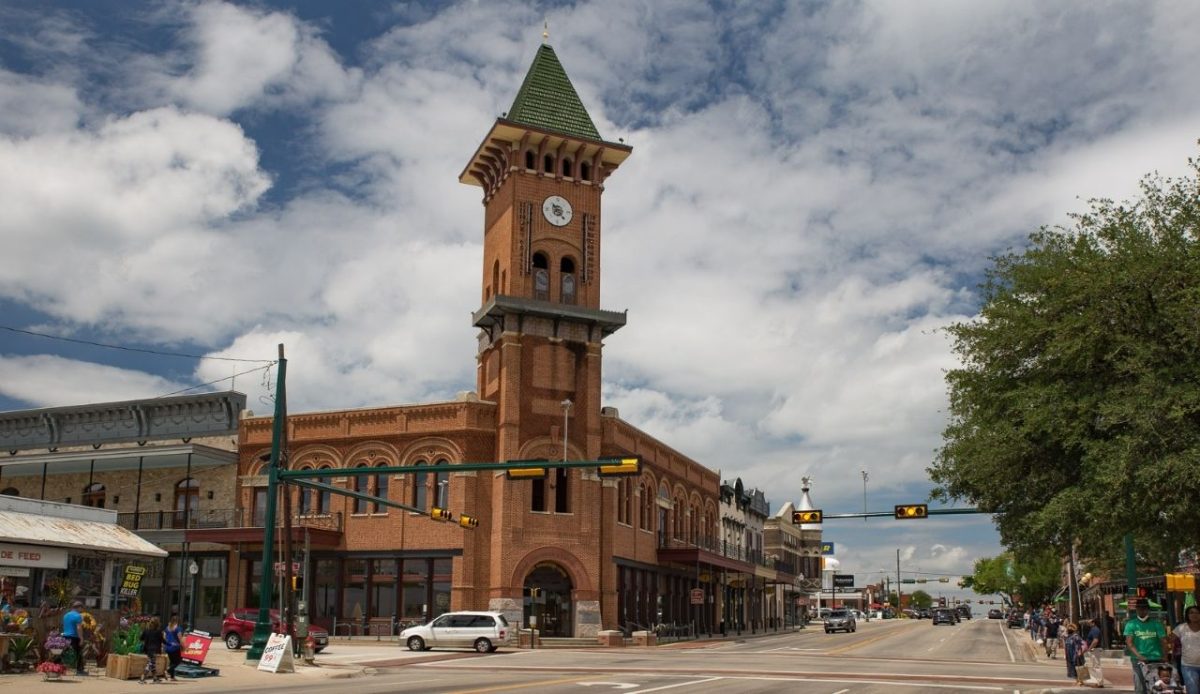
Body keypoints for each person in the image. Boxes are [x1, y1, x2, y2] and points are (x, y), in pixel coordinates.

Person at [1126, 598, 1169, 694]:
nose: (1142, 610)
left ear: (1148, 610)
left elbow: (1163, 641)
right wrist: (1139, 656)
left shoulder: (1157, 624)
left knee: (1156, 687)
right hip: (1138, 660)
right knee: (1140, 688)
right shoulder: (1131, 624)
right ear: (1136, 609)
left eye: (1144, 608)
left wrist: (1165, 656)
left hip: (1156, 659)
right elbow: (1129, 643)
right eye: (1139, 608)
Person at [1176, 605, 1200, 694]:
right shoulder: (1181, 627)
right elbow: (1168, 640)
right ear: (1187, 615)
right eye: (1191, 613)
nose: (1194, 615)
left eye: (1197, 612)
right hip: (1188, 666)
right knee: (1193, 691)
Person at [62, 599, 85, 676]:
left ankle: (55, 666)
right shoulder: (78, 616)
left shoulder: (66, 615)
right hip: (74, 637)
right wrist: (81, 638)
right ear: (79, 607)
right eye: (81, 608)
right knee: (78, 653)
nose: (82, 610)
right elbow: (79, 628)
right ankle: (80, 670)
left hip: (65, 636)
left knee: (63, 652)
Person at [139, 616, 164, 684]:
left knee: (152, 664)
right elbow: (163, 640)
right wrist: (171, 644)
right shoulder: (158, 631)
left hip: (148, 650)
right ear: (157, 624)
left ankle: (155, 679)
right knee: (150, 664)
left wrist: (147, 638)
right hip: (154, 650)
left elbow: (141, 638)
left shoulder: (146, 630)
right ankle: (142, 678)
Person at [1086, 617, 1107, 687]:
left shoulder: (1095, 630)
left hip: (1095, 650)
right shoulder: (1093, 629)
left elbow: (1095, 641)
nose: (1088, 623)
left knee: (1096, 666)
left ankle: (1100, 683)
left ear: (1093, 623)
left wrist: (1089, 648)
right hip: (1094, 649)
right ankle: (1097, 681)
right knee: (1095, 666)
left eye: (1090, 622)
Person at [164, 614, 183, 681]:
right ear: (177, 621)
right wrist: (183, 646)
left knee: (172, 662)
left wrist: (165, 645)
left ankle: (172, 677)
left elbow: (164, 637)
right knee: (178, 661)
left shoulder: (167, 628)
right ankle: (168, 671)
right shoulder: (178, 628)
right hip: (175, 647)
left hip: (168, 647)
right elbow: (180, 638)